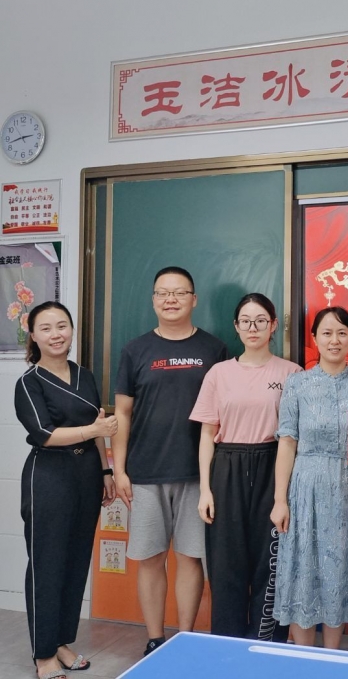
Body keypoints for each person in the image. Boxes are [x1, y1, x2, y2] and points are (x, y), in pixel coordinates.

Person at [112, 267, 227, 656]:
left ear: (194, 299)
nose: (171, 299)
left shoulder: (214, 349)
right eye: (163, 293)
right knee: (150, 558)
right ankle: (155, 638)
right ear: (153, 300)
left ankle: (186, 637)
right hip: (145, 472)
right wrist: (119, 470)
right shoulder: (135, 350)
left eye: (179, 292)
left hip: (199, 474)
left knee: (191, 557)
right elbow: (122, 413)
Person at [15, 301, 117, 679]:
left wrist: (106, 471)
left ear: (72, 330)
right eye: (46, 328)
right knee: (47, 564)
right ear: (33, 336)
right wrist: (94, 431)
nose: (56, 334)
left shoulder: (84, 375)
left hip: (87, 474)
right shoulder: (29, 382)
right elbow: (44, 433)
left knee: (75, 563)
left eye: (62, 326)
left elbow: (98, 423)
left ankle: (61, 641)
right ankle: (43, 654)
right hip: (49, 476)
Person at [190, 292, 301, 640]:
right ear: (236, 327)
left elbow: (294, 437)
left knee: (271, 564)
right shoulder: (219, 373)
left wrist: (284, 495)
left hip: (274, 467)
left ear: (273, 325)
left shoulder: (292, 373)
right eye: (246, 321)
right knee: (226, 565)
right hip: (227, 468)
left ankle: (267, 647)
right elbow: (207, 434)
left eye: (261, 321)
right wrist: (205, 490)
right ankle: (228, 650)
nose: (253, 328)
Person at [271, 307, 348, 648]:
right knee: (303, 567)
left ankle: (332, 656)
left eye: (342, 333)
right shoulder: (298, 383)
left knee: (340, 570)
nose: (334, 340)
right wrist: (280, 500)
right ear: (314, 338)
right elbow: (287, 442)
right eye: (327, 333)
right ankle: (304, 656)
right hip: (306, 489)